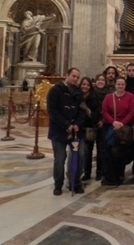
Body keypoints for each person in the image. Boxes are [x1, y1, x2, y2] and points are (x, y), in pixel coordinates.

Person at [47, 67, 85, 196]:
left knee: (79, 156)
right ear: (66, 75)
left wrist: (77, 124)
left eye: (77, 77)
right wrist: (66, 124)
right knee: (59, 159)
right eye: (73, 76)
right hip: (59, 131)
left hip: (75, 131)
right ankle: (58, 185)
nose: (75, 79)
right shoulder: (55, 91)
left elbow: (82, 111)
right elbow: (53, 111)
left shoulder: (78, 93)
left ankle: (75, 183)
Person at [101, 76, 134, 186]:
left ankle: (120, 176)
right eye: (118, 84)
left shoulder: (130, 96)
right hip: (111, 128)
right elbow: (105, 111)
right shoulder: (108, 97)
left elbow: (132, 112)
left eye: (122, 84)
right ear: (115, 85)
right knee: (109, 154)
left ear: (125, 85)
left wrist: (122, 123)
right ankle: (110, 178)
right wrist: (113, 122)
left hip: (124, 130)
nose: (120, 86)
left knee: (121, 154)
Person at [79, 77, 102, 182]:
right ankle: (87, 173)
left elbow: (96, 115)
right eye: (83, 84)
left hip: (93, 127)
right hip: (82, 128)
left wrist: (86, 109)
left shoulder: (94, 98)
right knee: (86, 152)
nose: (85, 87)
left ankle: (99, 173)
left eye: (87, 85)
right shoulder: (77, 96)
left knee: (99, 152)